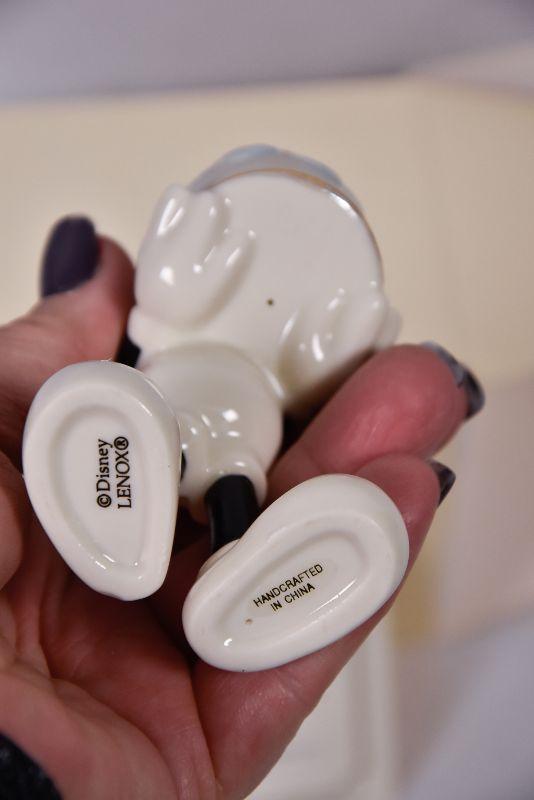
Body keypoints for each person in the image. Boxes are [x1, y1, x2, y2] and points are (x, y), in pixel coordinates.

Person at [0, 217, 483, 799]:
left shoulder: (293, 359)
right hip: (157, 421)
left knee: (222, 483)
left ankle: (236, 577)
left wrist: (334, 353)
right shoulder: (170, 316)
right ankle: (125, 514)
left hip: (229, 450)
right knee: (147, 441)